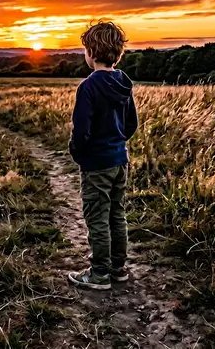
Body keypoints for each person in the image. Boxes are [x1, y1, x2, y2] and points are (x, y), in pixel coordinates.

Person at [68, 21, 138, 290]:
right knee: (116, 215)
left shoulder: (89, 86)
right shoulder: (123, 83)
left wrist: (78, 153)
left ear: (91, 52)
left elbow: (82, 129)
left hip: (97, 163)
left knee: (97, 218)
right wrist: (116, 143)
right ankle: (118, 268)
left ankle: (99, 274)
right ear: (117, 53)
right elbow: (131, 124)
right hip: (120, 159)